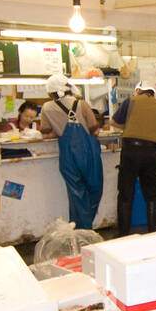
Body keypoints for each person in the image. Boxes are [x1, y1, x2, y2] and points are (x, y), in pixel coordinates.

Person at [39, 75, 103, 230]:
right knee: (95, 188)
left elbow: (46, 134)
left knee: (76, 193)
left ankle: (80, 227)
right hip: (89, 153)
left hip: (68, 155)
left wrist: (60, 129)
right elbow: (95, 131)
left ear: (51, 92)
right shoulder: (82, 104)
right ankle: (87, 225)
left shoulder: (47, 108)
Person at [112, 80, 156, 235]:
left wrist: (131, 126)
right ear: (152, 93)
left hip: (130, 151)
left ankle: (123, 234)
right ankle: (153, 232)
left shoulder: (130, 101)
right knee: (152, 195)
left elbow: (114, 122)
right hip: (151, 153)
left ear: (138, 91)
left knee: (126, 194)